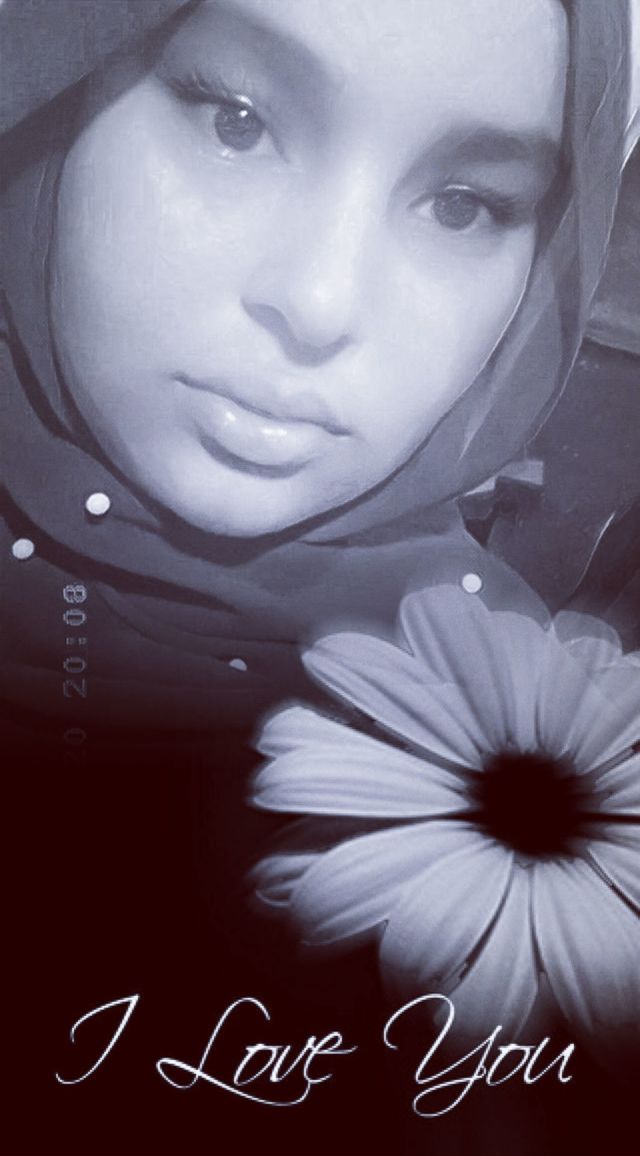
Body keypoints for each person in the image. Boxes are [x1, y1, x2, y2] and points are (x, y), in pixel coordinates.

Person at [0, 3, 636, 1153]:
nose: (320, 302)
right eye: (236, 121)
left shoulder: (537, 778)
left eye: (464, 205)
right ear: (59, 86)